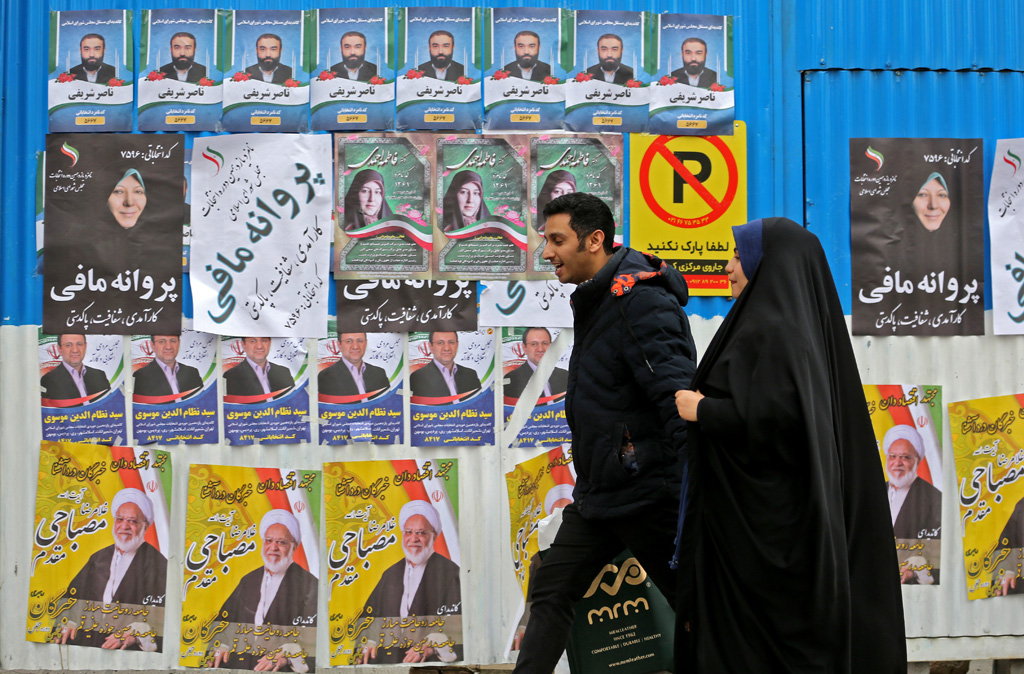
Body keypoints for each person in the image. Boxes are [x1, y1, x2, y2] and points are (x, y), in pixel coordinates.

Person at [672, 218, 906, 672]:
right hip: (758, 532)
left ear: (767, 263)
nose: (728, 267)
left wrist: (706, 411)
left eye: (738, 256)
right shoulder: (778, 325)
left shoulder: (776, 330)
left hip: (770, 541)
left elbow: (787, 422)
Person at [512, 192, 696, 674]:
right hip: (601, 494)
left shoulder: (641, 302)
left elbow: (674, 396)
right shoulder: (601, 298)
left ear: (595, 240)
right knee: (551, 586)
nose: (547, 252)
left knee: (697, 608)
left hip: (648, 492)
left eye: (557, 240)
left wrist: (691, 484)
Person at [56, 488, 167, 651]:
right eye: (120, 519)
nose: (124, 526)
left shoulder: (159, 565)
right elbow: (72, 597)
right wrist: (70, 621)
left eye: (132, 521)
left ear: (146, 526)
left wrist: (138, 632)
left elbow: (166, 618)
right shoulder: (99, 557)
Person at [358, 500, 461, 664]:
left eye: (421, 533)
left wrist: (434, 645)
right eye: (408, 532)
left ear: (434, 536)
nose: (414, 539)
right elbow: (369, 616)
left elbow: (460, 628)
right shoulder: (390, 573)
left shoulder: (450, 573)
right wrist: (370, 640)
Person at [214, 510, 317, 671]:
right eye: (269, 540)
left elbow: (315, 638)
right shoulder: (249, 580)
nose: (273, 547)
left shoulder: (309, 584)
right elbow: (224, 620)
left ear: (294, 547)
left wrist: (289, 656)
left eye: (281, 542)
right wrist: (222, 644)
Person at [409, 332, 481, 403]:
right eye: (440, 343)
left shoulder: (470, 374)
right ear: (431, 347)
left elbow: (480, 404)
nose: (446, 348)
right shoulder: (419, 377)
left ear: (457, 345)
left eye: (451, 342)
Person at [41, 334, 111, 404]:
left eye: (79, 344)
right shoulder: (48, 380)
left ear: (85, 346)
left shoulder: (99, 375)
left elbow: (111, 405)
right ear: (59, 349)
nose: (75, 350)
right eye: (68, 345)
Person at [318, 332, 390, 400]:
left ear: (365, 343)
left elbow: (388, 403)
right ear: (339, 345)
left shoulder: (379, 373)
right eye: (349, 341)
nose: (355, 347)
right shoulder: (326, 376)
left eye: (360, 341)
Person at [133, 334, 204, 401]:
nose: (168, 347)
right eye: (162, 342)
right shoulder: (141, 377)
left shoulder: (192, 373)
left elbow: (203, 403)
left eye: (173, 341)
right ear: (152, 346)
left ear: (179, 343)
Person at [504, 327, 567, 400]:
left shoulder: (565, 376)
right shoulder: (513, 379)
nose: (540, 349)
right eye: (534, 344)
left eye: (545, 343)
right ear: (524, 348)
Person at [224, 337, 295, 401]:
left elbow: (294, 402)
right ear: (243, 345)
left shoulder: (284, 372)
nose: (259, 346)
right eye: (252, 341)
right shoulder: (231, 376)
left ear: (269, 343)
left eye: (264, 340)